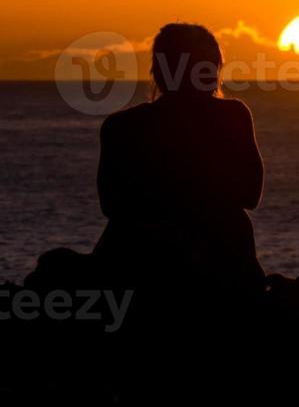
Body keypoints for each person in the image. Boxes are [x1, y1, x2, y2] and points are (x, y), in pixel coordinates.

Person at [93, 23, 265, 302]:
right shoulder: (233, 116)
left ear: (158, 71)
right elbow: (251, 195)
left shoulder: (120, 126)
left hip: (141, 267)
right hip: (223, 264)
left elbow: (111, 205)